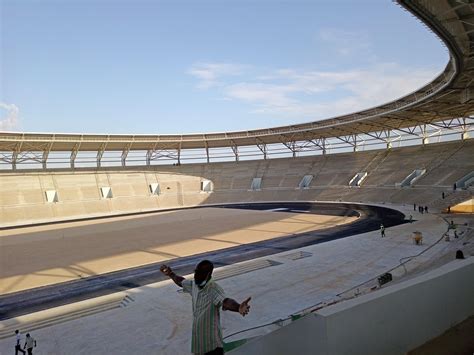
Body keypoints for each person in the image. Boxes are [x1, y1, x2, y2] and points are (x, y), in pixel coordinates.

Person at [160, 260, 251, 355]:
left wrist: (238, 307)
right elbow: (181, 282)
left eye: (199, 273)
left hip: (212, 347)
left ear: (208, 274)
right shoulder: (195, 285)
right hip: (199, 344)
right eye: (196, 272)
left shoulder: (213, 289)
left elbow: (225, 301)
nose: (196, 275)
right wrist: (170, 274)